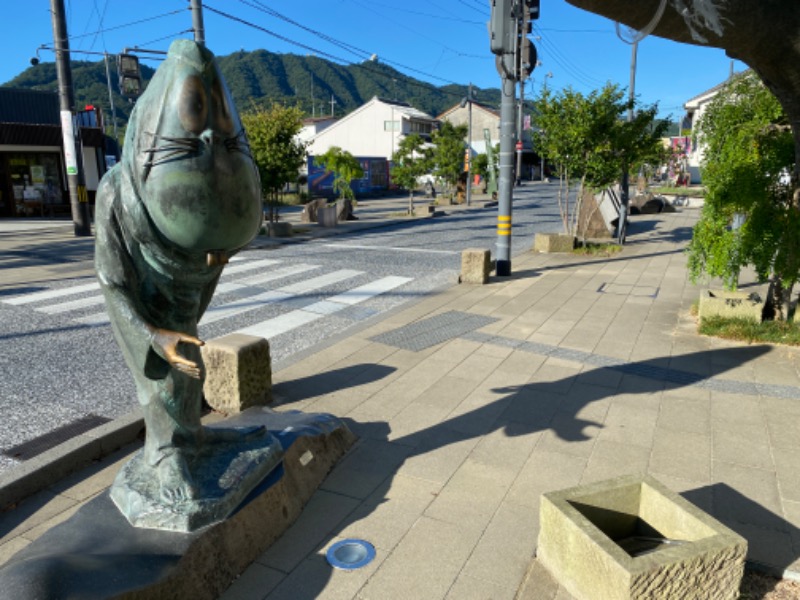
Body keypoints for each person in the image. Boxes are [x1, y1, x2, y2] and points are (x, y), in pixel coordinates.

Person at [95, 39, 264, 504]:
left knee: (191, 370)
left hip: (186, 297)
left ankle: (193, 439)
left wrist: (217, 251)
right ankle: (164, 452)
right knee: (162, 379)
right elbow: (110, 281)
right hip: (149, 313)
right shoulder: (117, 191)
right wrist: (151, 334)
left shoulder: (206, 161)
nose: (208, 136)